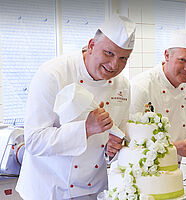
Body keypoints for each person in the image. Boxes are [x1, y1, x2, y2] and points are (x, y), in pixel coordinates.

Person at [16, 13, 135, 199]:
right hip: (50, 189)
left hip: (94, 188)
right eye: (109, 53)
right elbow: (34, 141)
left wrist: (114, 145)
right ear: (91, 45)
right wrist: (86, 128)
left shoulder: (122, 85)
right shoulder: (53, 74)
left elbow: (116, 135)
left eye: (123, 59)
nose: (114, 65)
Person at [130, 30, 186, 158]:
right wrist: (174, 147)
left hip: (175, 168)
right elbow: (131, 142)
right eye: (182, 60)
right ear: (167, 55)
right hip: (143, 172)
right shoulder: (141, 86)